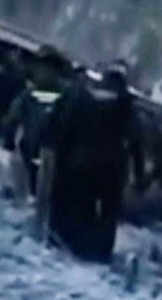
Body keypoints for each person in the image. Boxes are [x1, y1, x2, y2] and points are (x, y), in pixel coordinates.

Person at [45, 63, 150, 264]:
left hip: (76, 169)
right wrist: (140, 178)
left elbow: (62, 133)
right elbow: (137, 144)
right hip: (111, 175)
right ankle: (99, 259)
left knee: (72, 220)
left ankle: (63, 251)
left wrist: (58, 167)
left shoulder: (80, 99)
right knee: (104, 224)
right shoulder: (126, 105)